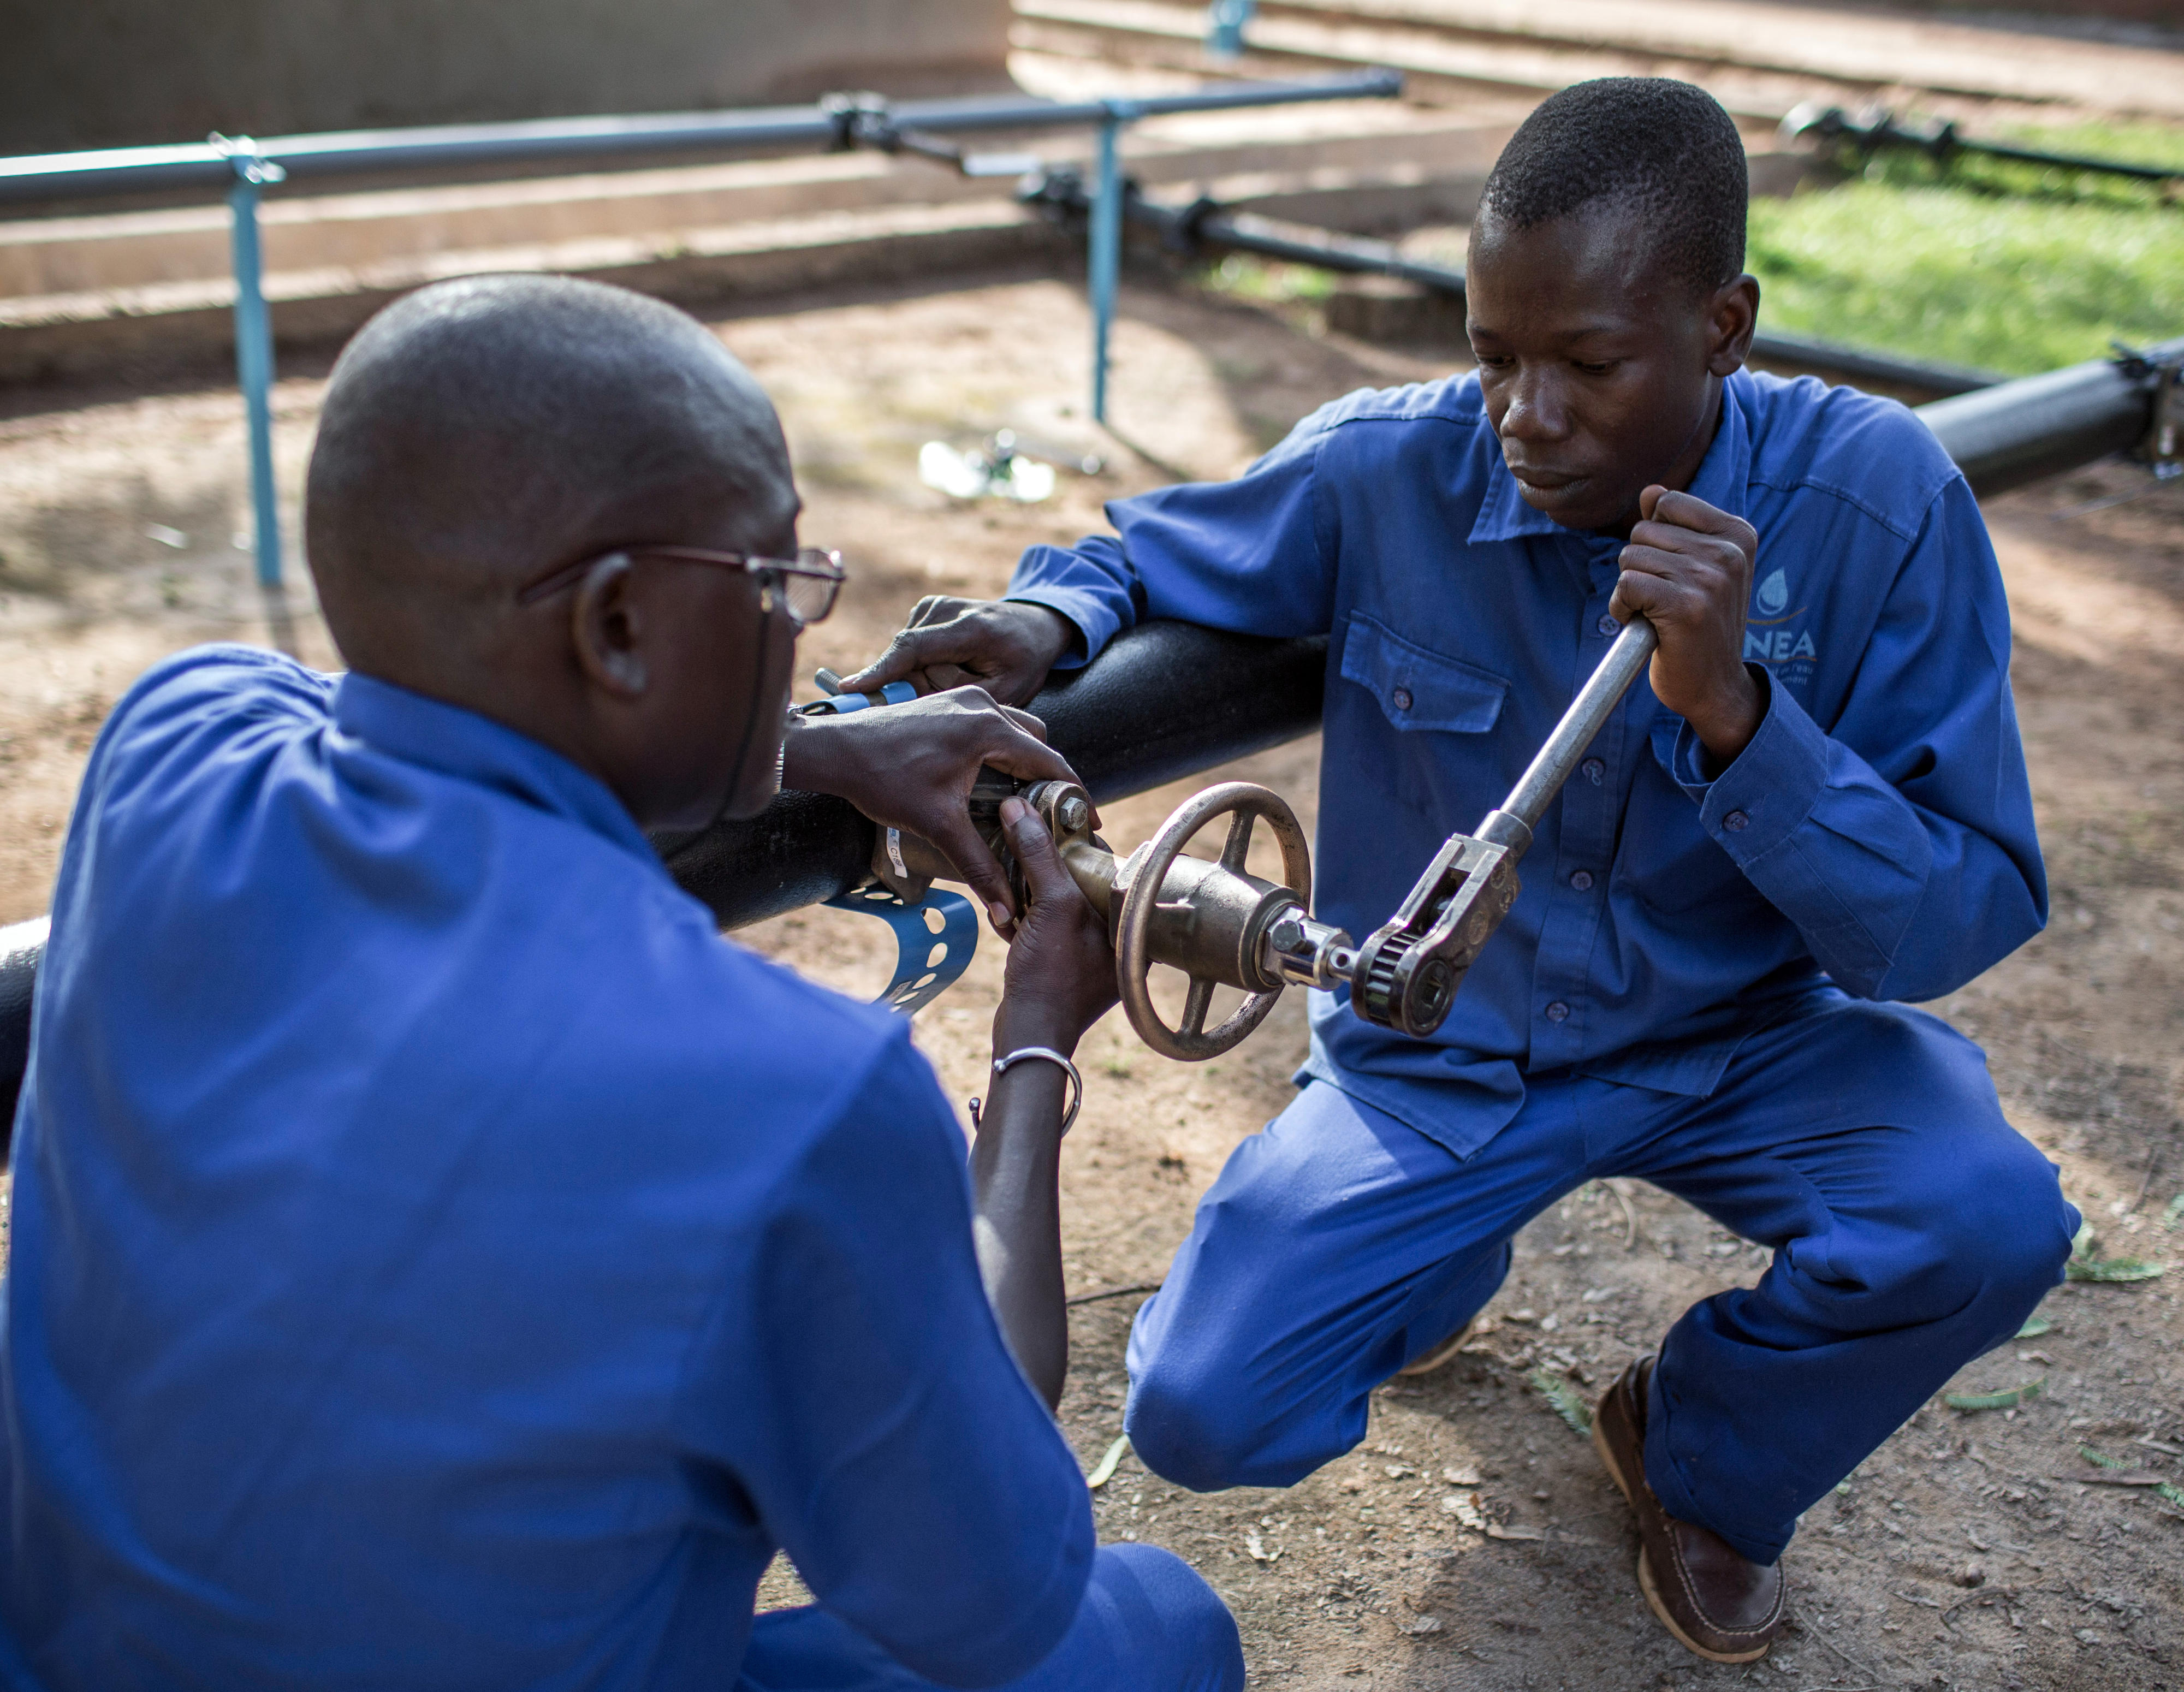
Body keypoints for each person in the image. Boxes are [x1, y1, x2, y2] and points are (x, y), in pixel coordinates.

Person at [836, 77, 2078, 1664]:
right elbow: (1139, 549)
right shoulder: (1384, 470)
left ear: (1725, 326)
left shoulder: (1878, 500)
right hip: (1442, 1054)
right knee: (1204, 1408)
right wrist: (1051, 623)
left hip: (1748, 1037)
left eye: (1589, 364)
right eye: (1494, 355)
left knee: (1983, 1217)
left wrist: (1742, 720)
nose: (1525, 416)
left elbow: (1951, 916)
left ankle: (1703, 1456)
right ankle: (1434, 1259)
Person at [0, 274, 1244, 1692]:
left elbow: (421, 710)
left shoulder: (170, 747)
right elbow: (987, 1584)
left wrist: (810, 746)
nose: (802, 630)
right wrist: (1036, 1045)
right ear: (613, 629)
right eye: (778, 584)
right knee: (1153, 1628)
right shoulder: (796, 1097)